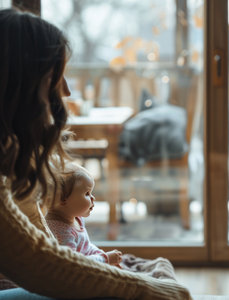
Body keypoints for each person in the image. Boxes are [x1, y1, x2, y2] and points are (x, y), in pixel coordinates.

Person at [0, 8, 191, 300]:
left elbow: (43, 250)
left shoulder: (11, 150)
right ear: (19, 82)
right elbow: (40, 263)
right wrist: (144, 289)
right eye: (55, 77)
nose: (65, 91)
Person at [46, 163, 123, 268]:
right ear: (62, 199)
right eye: (87, 193)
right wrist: (105, 259)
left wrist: (102, 256)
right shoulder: (61, 233)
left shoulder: (76, 218)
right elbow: (74, 265)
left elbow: (86, 248)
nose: (93, 198)